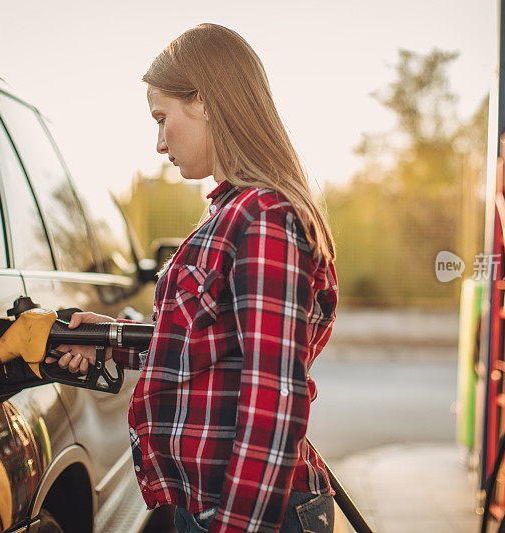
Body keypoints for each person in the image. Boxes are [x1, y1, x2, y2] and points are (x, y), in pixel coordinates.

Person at [49, 23, 338, 532]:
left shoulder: (265, 218)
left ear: (203, 100)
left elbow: (273, 398)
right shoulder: (230, 212)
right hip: (210, 505)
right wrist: (108, 337)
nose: (159, 142)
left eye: (162, 118)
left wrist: (235, 528)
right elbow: (204, 343)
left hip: (249, 515)